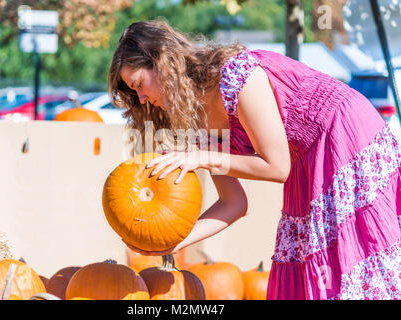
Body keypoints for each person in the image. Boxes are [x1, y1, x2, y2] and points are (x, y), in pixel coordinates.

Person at [108, 19, 401, 300]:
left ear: (162, 62)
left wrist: (202, 158)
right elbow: (234, 203)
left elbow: (276, 167)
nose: (142, 99)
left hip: (343, 135)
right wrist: (170, 243)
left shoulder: (234, 76)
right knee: (307, 264)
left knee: (348, 263)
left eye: (139, 85)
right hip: (306, 159)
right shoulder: (198, 122)